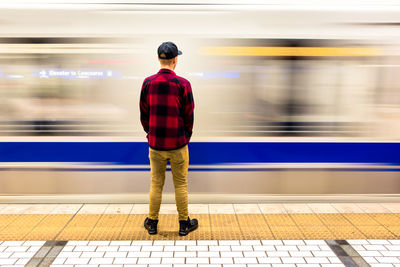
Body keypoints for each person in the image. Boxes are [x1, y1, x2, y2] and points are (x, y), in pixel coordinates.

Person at [139, 41, 198, 236]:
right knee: (180, 184)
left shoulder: (148, 83)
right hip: (178, 144)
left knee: (156, 184)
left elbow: (143, 113)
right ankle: (183, 224)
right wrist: (185, 137)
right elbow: (189, 115)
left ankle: (153, 223)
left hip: (156, 145)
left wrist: (151, 133)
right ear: (175, 60)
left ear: (159, 59)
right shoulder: (183, 84)